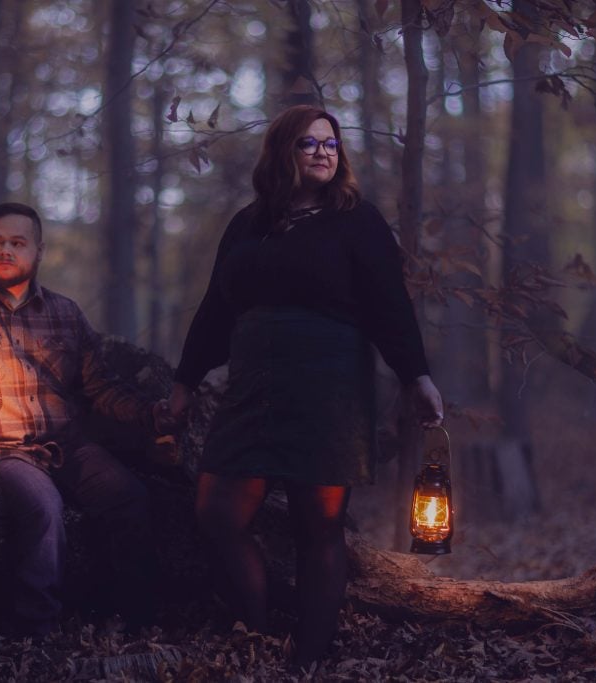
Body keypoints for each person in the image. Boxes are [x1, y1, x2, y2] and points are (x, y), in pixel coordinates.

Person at [167, 105, 443, 667]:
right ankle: (259, 633)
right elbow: (216, 309)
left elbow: (391, 306)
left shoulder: (357, 220)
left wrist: (417, 375)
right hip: (254, 385)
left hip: (328, 385)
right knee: (217, 513)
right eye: (309, 143)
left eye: (331, 144)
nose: (323, 151)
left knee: (318, 526)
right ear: (282, 152)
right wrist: (185, 380)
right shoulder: (248, 224)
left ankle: (309, 657)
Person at [0, 202, 168, 637]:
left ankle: (135, 622)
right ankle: (36, 635)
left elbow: (101, 388)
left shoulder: (64, 313)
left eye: (17, 243)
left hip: (69, 443)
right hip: (1, 447)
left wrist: (154, 415)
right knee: (43, 507)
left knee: (130, 497)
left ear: (38, 251)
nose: (6, 250)